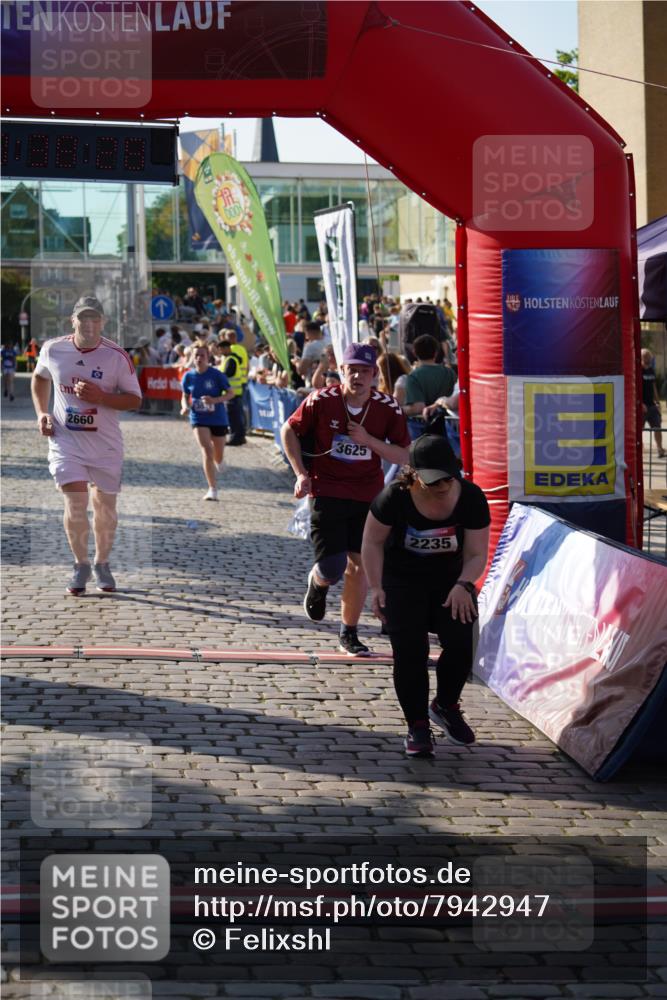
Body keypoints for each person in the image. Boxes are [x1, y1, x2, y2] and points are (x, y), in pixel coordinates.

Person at [361, 435, 490, 756]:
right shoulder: (394, 497)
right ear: (414, 474)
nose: (442, 485)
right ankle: (417, 725)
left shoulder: (471, 498)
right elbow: (372, 542)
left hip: (451, 580)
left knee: (462, 645)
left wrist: (464, 585)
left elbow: (477, 553)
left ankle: (446, 705)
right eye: (434, 480)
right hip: (402, 581)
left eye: (448, 478)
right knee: (411, 652)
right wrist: (376, 587)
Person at [281, 342, 410, 656]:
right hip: (326, 490)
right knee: (333, 565)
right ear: (341, 370)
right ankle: (318, 581)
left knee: (360, 565)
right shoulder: (321, 400)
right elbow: (288, 430)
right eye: (352, 370)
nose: (358, 377)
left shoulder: (388, 407)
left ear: (374, 374)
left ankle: (348, 632)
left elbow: (404, 454)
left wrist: (369, 441)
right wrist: (300, 473)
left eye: (364, 371)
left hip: (367, 494)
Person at [30, 296, 142, 595]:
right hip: (66, 441)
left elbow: (134, 400)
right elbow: (39, 378)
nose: (89, 324)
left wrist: (101, 397)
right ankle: (80, 564)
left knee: (105, 508)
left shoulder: (116, 356)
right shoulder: (53, 349)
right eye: (83, 318)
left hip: (105, 445)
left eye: (95, 318)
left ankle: (102, 563)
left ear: (103, 322)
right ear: (73, 321)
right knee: (76, 502)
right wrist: (42, 413)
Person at [181, 346, 234, 501]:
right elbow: (184, 395)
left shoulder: (216, 375)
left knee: (218, 455)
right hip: (198, 417)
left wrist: (215, 400)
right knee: (207, 451)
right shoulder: (188, 376)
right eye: (196, 355)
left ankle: (220, 461)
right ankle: (212, 489)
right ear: (192, 357)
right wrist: (184, 406)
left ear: (208, 357)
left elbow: (230, 393)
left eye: (202, 355)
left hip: (218, 418)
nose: (199, 358)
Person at [402, 334, 457, 440]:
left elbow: (418, 407)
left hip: (423, 430)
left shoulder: (413, 377)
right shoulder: (450, 373)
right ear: (436, 352)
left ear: (414, 352)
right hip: (448, 427)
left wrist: (397, 409)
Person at [218, 336, 247, 446]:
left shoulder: (231, 360)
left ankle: (236, 438)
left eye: (221, 349)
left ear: (227, 348)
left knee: (234, 418)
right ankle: (239, 437)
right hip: (233, 394)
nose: (220, 352)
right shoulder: (229, 359)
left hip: (232, 394)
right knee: (235, 417)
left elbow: (226, 375)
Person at [641, 348, 665, 458]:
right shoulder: (638, 370)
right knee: (639, 430)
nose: (649, 358)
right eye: (646, 356)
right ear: (642, 358)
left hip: (652, 405)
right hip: (641, 406)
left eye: (649, 356)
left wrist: (658, 402)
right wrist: (640, 404)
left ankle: (660, 449)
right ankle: (639, 451)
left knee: (657, 427)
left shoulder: (651, 370)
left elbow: (654, 387)